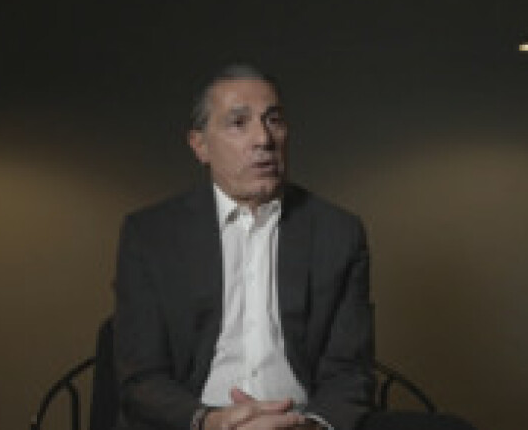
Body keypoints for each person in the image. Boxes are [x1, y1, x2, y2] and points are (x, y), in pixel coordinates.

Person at [112, 64, 472, 430]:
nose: (263, 139)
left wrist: (310, 425)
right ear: (200, 145)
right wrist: (214, 421)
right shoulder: (151, 235)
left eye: (274, 120)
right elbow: (141, 379)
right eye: (239, 123)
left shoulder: (337, 232)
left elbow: (349, 371)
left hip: (303, 421)